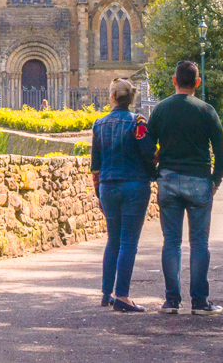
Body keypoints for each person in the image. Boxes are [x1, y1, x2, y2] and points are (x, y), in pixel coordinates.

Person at [149, 60, 223, 315]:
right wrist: (215, 181)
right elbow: (221, 152)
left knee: (171, 242)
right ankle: (200, 301)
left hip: (168, 180)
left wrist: (155, 175)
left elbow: (147, 149)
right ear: (197, 83)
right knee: (199, 243)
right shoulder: (206, 111)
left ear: (174, 81)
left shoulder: (160, 110)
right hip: (199, 181)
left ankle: (172, 301)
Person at [89, 79, 157, 312]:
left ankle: (106, 294)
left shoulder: (99, 124)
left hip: (108, 187)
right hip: (134, 186)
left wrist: (99, 193)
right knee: (128, 242)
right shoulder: (137, 123)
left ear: (112, 98)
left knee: (113, 241)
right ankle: (123, 296)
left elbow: (95, 166)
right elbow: (149, 152)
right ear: (132, 99)